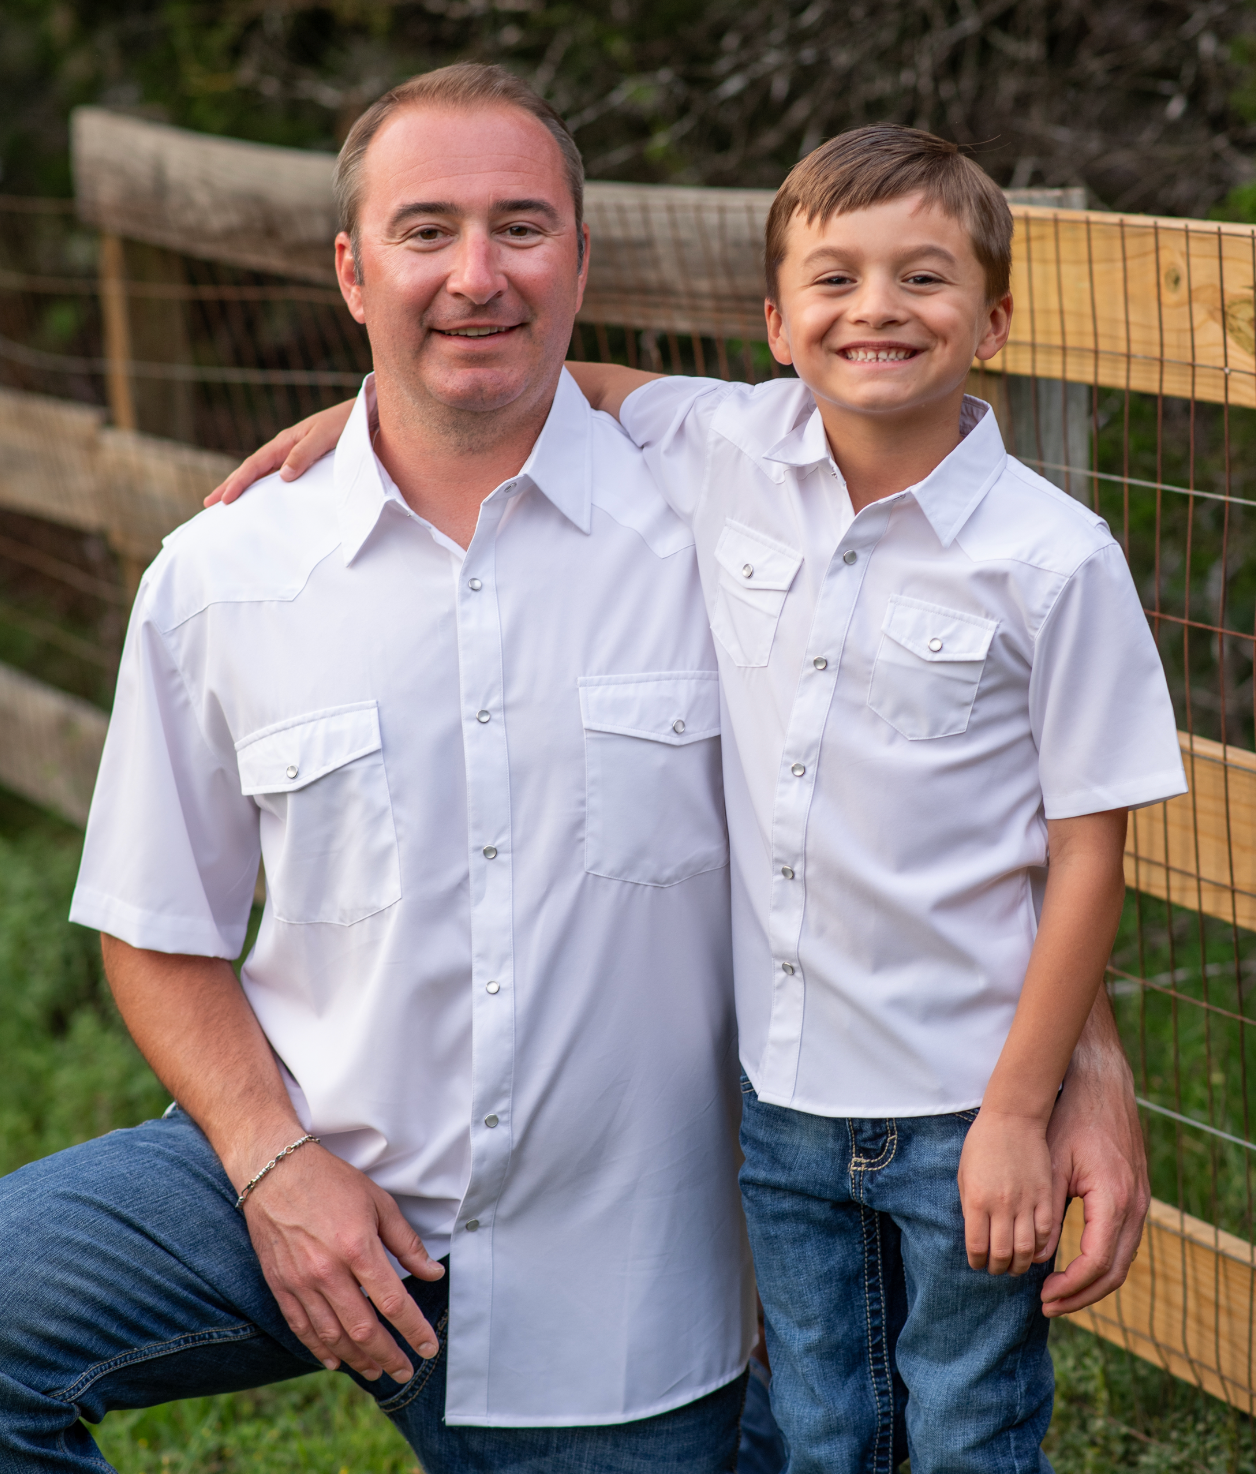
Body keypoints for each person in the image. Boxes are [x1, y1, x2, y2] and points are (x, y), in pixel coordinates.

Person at [217, 124, 1181, 1470]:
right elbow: (573, 386)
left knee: (967, 1417)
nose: (880, 311)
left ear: (996, 318)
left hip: (966, 1089)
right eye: (835, 281)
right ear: (776, 324)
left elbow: (1089, 849)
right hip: (779, 1103)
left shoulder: (1051, 560)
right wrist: (363, 419)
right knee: (820, 1420)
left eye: (925, 278)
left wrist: (1028, 1103)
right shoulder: (730, 447)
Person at [0, 64, 755, 1474]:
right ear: (351, 272)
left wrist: (1079, 1058)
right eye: (426, 232)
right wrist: (275, 1162)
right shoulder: (231, 573)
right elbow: (156, 927)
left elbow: (937, 505)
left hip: (623, 1291)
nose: (477, 273)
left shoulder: (724, 524)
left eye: (521, 228)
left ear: (580, 260)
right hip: (296, 1165)